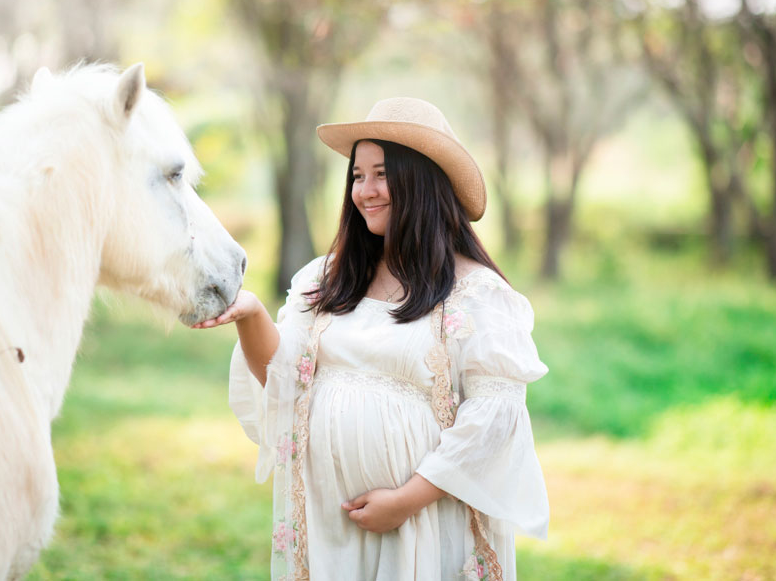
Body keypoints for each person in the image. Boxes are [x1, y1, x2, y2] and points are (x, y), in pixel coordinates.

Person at [193, 98, 549, 580]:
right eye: (357, 176)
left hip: (422, 524)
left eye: (382, 174)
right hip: (329, 524)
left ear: (420, 180)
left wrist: (406, 500)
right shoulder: (327, 279)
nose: (366, 190)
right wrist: (251, 316)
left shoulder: (476, 294)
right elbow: (284, 381)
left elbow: (494, 416)